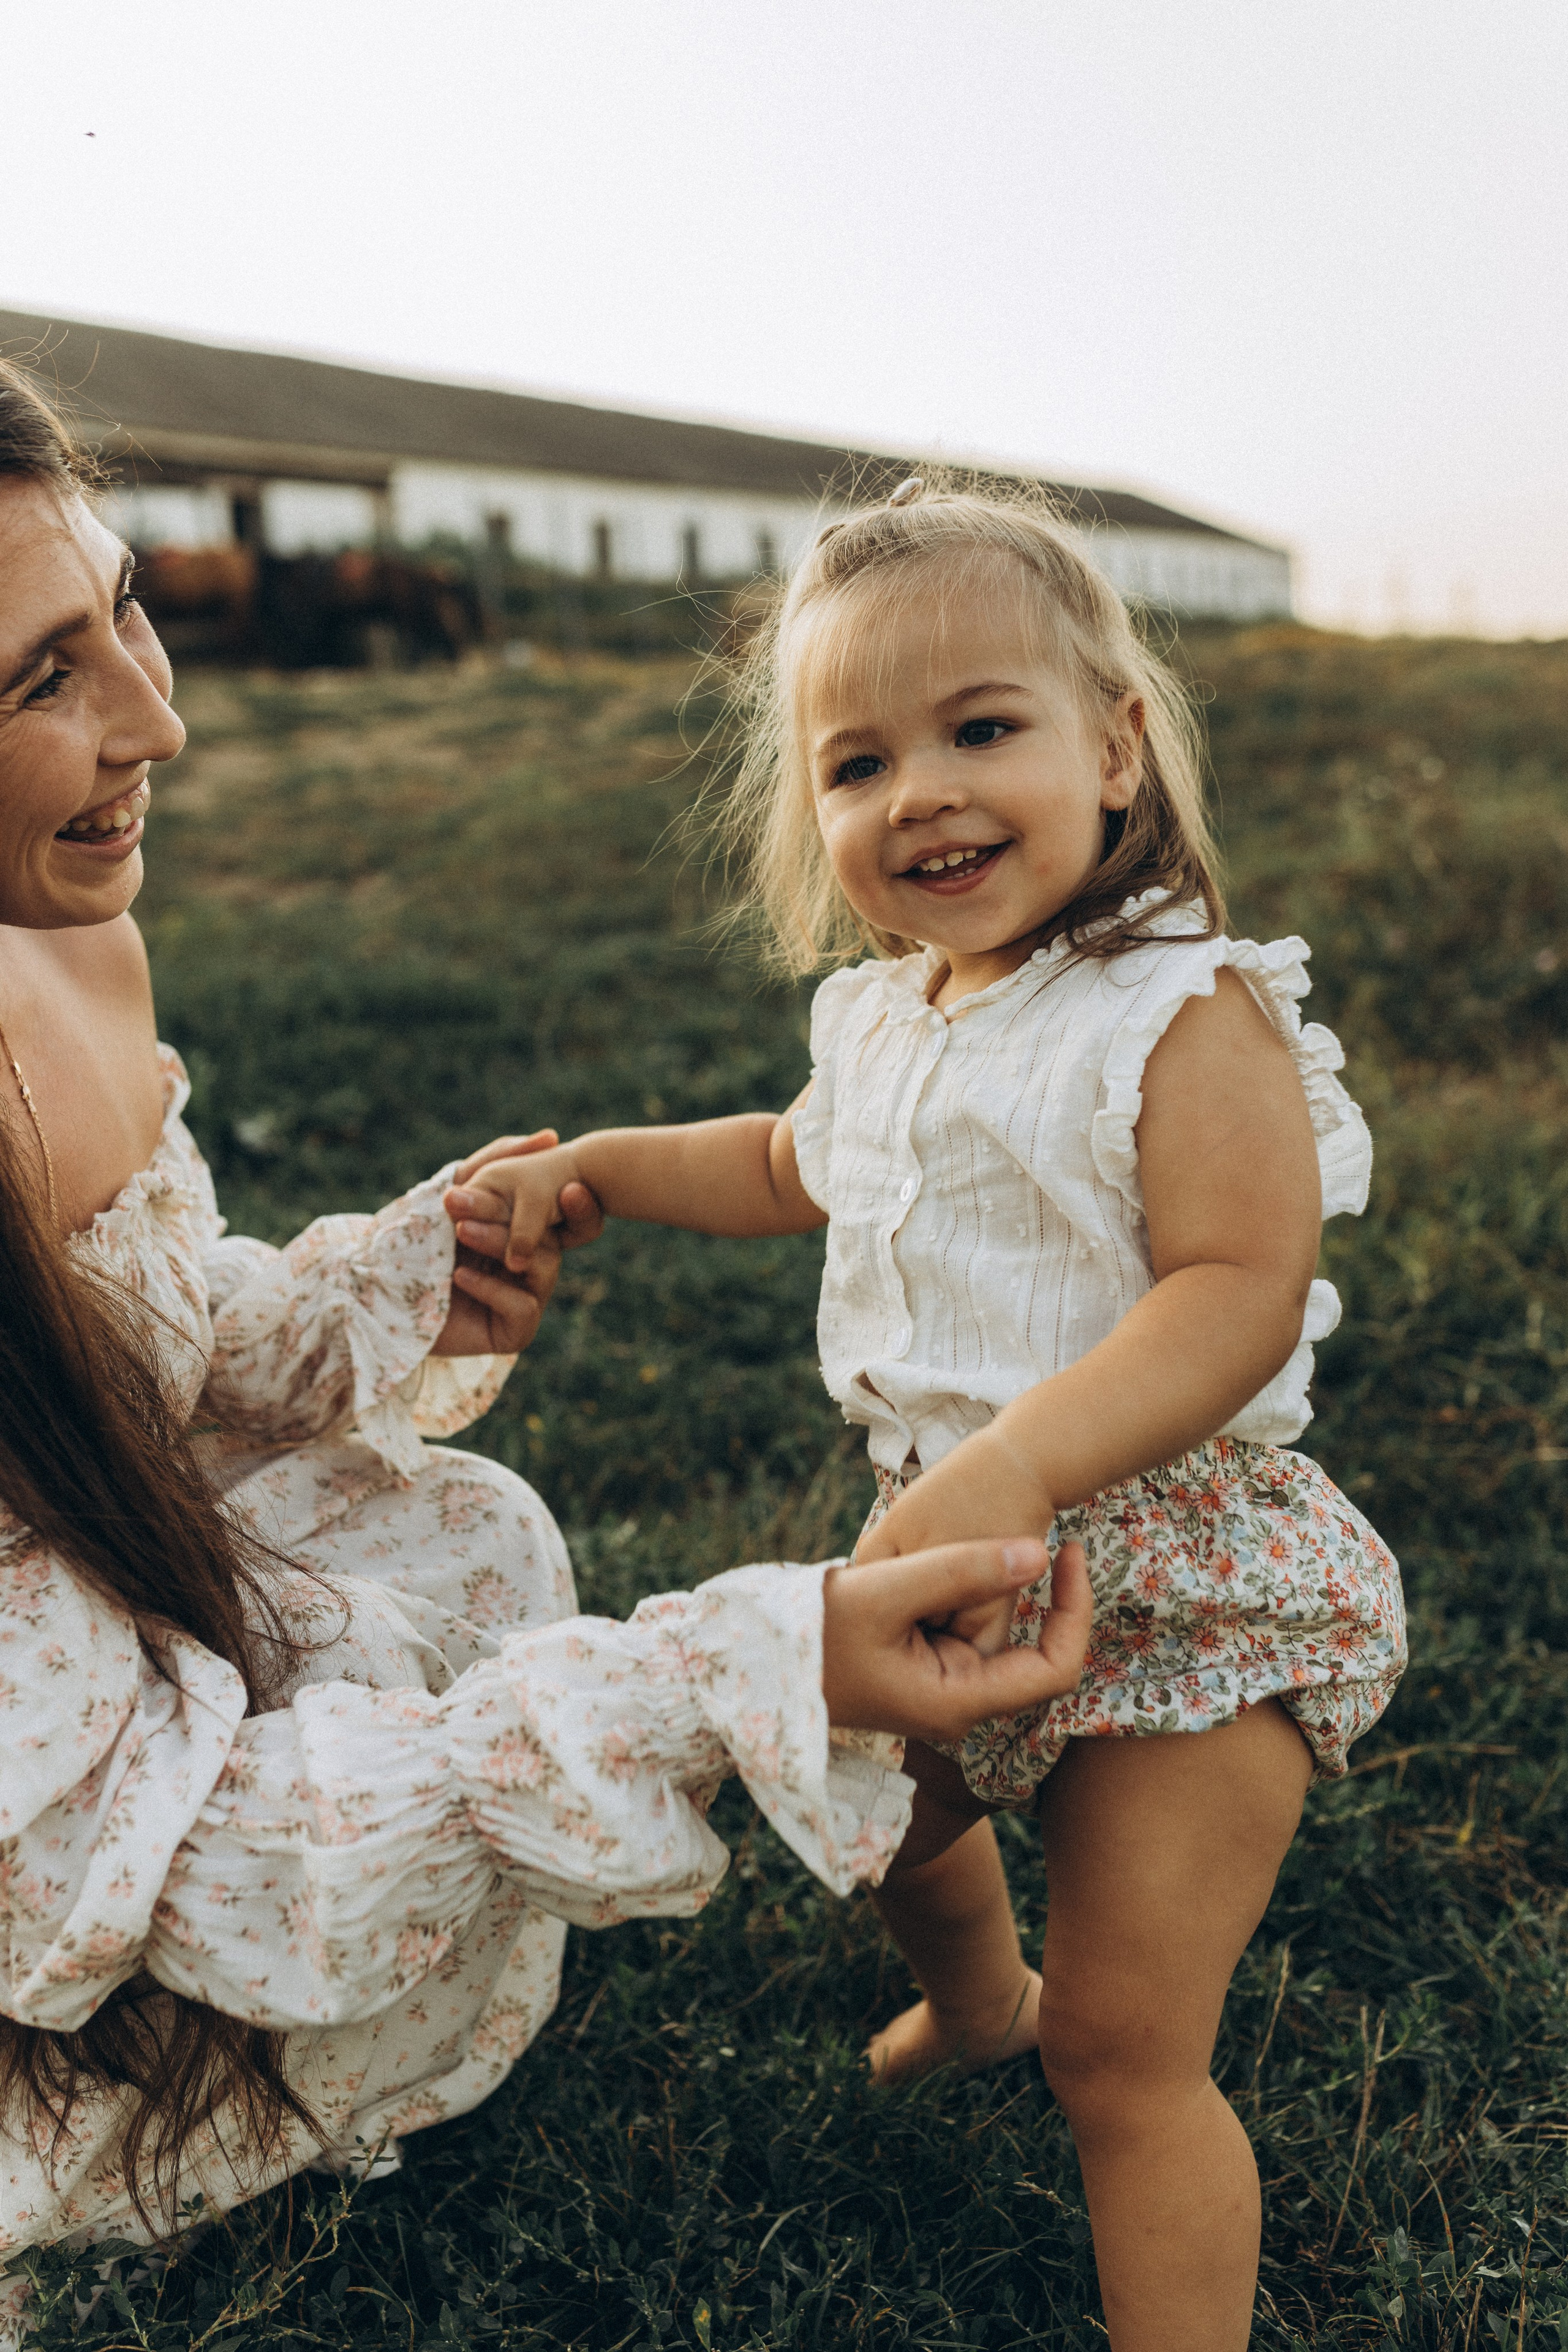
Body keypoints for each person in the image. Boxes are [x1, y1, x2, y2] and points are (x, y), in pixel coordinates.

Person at [0, 368, 1095, 2332]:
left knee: (463, 1541)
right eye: (34, 685)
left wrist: (372, 1288)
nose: (156, 720)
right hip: (43, 1834)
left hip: (93, 1619)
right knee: (324, 1893)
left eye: (123, 611)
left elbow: (120, 1358)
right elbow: (170, 1867)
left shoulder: (65, 934)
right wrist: (743, 1672)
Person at [447, 478, 1409, 2352]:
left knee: (1131, 2050)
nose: (924, 794)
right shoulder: (890, 1021)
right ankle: (983, 2004)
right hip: (955, 1546)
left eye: (984, 729)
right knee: (877, 1822)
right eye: (859, 760)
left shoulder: (1181, 1010)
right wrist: (611, 1174)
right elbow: (792, 1162)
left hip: (1175, 1576)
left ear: (1115, 747)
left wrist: (1024, 1459)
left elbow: (1238, 1289)